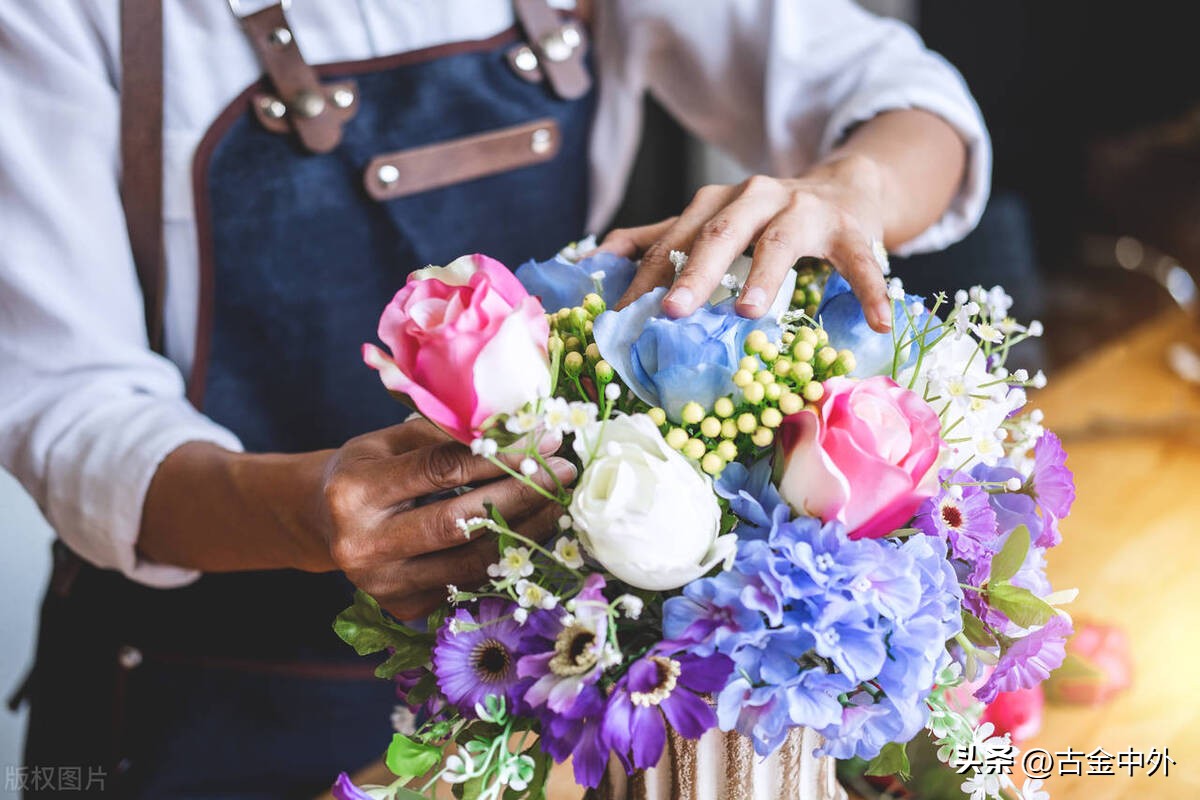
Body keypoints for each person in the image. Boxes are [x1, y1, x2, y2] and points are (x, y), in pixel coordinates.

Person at [0, 1, 988, 796]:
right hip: (189, 706)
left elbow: (909, 102)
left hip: (522, 710)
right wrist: (301, 512)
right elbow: (68, 403)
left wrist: (849, 187)